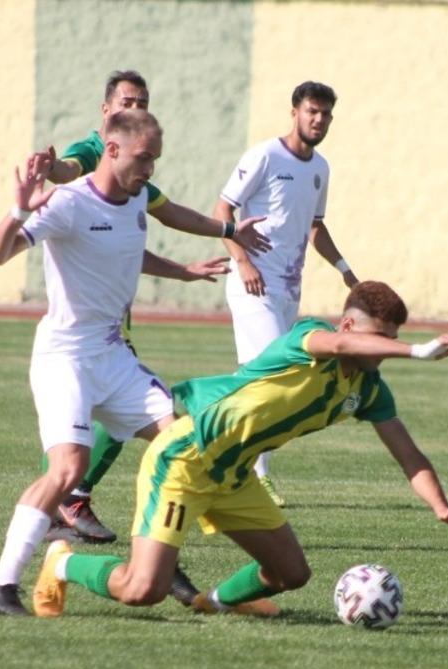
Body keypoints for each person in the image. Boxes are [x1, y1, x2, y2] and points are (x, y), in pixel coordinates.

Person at [30, 281, 448, 620]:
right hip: (186, 460)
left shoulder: (367, 389)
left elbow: (408, 453)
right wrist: (418, 351)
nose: (381, 351)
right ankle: (64, 563)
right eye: (378, 339)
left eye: (391, 340)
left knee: (291, 574)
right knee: (142, 590)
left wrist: (441, 505)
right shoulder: (308, 340)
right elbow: (340, 344)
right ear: (348, 325)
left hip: (235, 475)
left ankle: (216, 602)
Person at [0, 109, 235, 616]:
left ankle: (156, 557)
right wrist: (19, 210)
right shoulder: (68, 202)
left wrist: (181, 272)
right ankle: (0, 584)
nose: (151, 169)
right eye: (144, 157)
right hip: (65, 357)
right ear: (112, 150)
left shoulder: (135, 197)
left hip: (112, 354)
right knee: (69, 468)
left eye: (156, 158)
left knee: (180, 443)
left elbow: (125, 250)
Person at [36, 70, 270, 546]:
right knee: (102, 425)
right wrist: (51, 171)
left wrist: (222, 236)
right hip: (82, 325)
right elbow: (66, 173)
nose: (134, 108)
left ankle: (73, 499)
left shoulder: (139, 168)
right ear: (106, 112)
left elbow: (168, 210)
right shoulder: (96, 149)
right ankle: (68, 498)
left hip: (110, 321)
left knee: (127, 417)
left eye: (142, 101)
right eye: (126, 101)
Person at [212, 80, 360, 508]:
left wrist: (347, 273)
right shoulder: (264, 155)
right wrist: (243, 262)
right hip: (252, 283)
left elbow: (315, 226)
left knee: (258, 380)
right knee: (272, 378)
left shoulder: (320, 168)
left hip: (288, 289)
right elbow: (222, 210)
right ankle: (252, 475)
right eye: (312, 111)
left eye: (326, 114)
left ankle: (222, 448)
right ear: (294, 111)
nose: (319, 120)